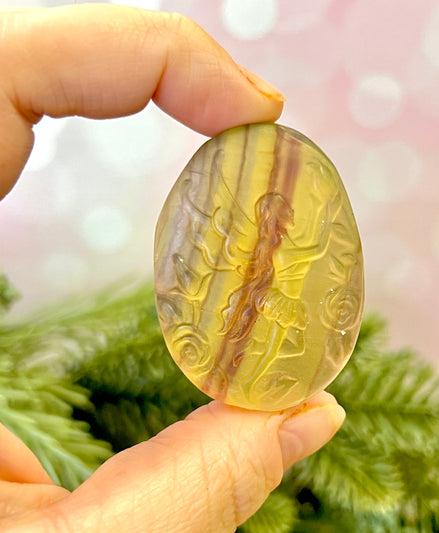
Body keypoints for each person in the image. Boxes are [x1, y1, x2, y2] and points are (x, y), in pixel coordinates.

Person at [0, 5, 345, 532]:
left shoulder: (292, 247)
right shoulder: (235, 237)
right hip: (231, 323)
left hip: (254, 326)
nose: (276, 221)